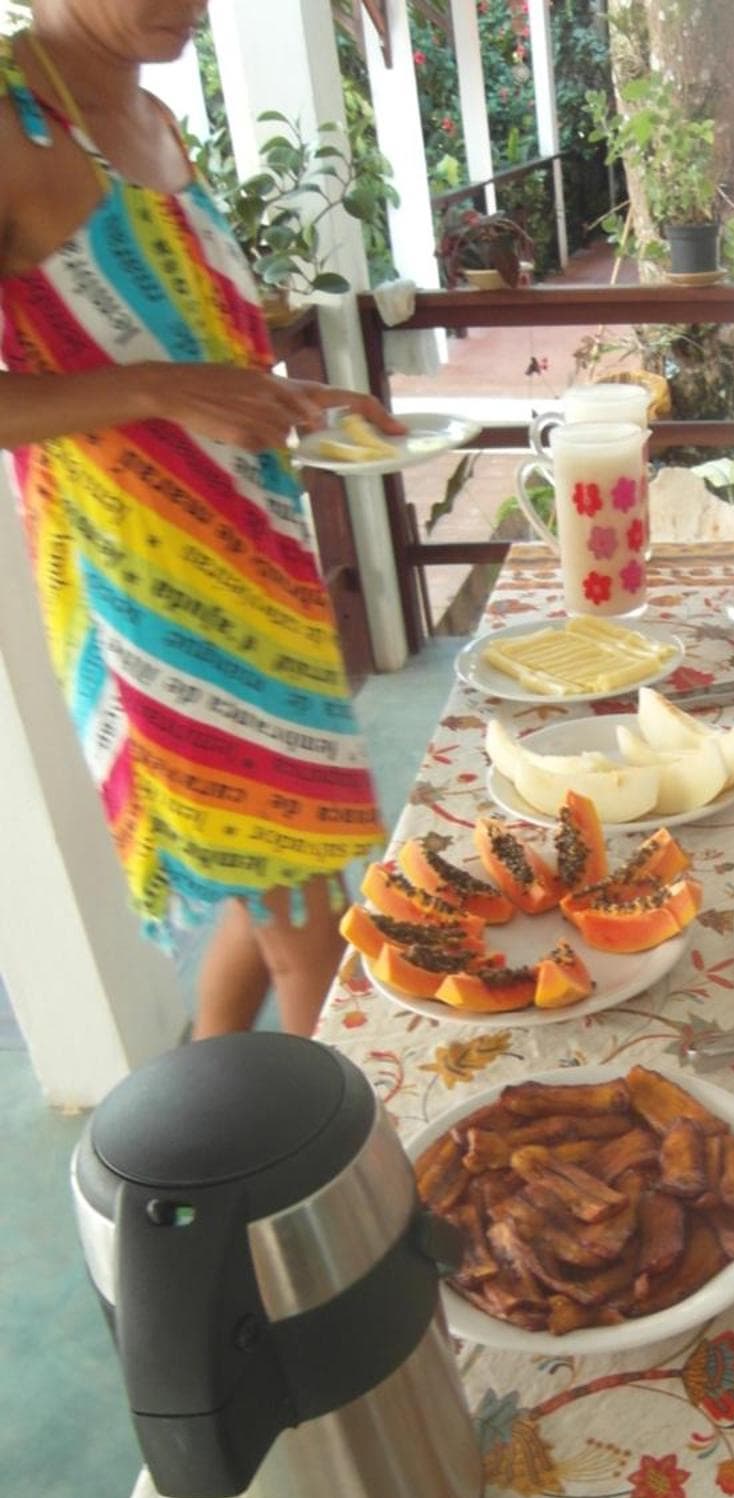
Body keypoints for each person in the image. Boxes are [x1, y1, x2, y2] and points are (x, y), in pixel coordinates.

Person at [0, 0, 403, 1036]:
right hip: (149, 589)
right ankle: (332, 1131)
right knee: (312, 921)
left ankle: (209, 1096)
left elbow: (186, 349)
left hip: (257, 558)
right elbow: (156, 378)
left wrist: (291, 401)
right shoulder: (10, 125)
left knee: (272, 879)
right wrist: (155, 390)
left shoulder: (152, 117)